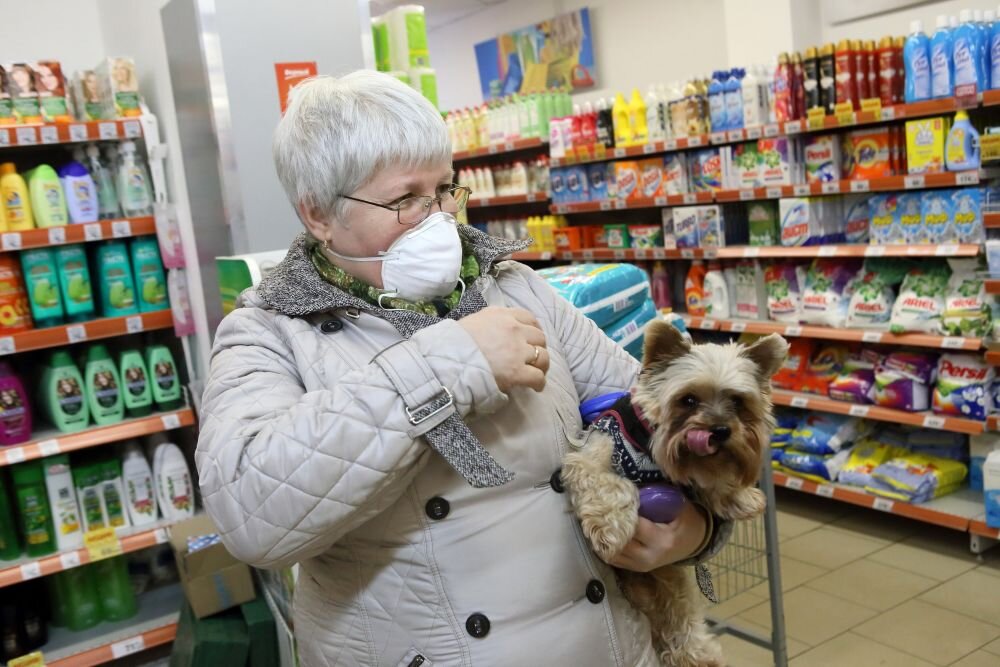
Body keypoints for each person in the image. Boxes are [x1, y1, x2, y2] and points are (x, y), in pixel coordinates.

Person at [196, 71, 729, 667]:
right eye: (405, 199)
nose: (438, 221)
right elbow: (251, 512)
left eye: (445, 190)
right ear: (319, 214)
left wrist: (694, 530)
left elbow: (659, 418)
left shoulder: (515, 287)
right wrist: (452, 364)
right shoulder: (268, 331)